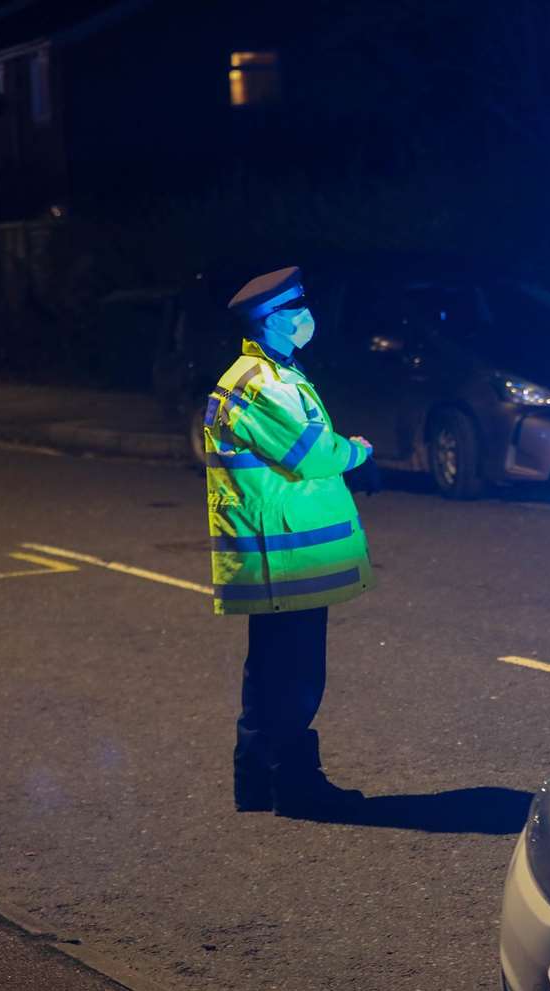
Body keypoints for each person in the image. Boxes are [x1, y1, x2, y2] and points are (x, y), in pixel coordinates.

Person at [203, 266, 380, 817]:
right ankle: (296, 788)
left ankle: (257, 783)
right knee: (295, 678)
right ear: (270, 320)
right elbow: (312, 455)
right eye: (296, 310)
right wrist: (358, 452)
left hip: (280, 554)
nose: (307, 318)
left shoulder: (271, 374)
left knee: (271, 672)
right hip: (285, 557)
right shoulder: (261, 384)